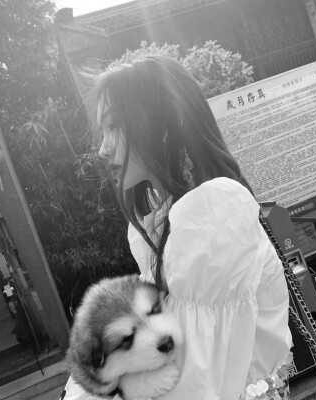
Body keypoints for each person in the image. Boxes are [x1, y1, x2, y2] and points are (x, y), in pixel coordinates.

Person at [64, 54, 292, 400]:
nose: (102, 149)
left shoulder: (210, 215)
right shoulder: (174, 219)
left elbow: (187, 374)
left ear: (164, 123)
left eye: (114, 126)